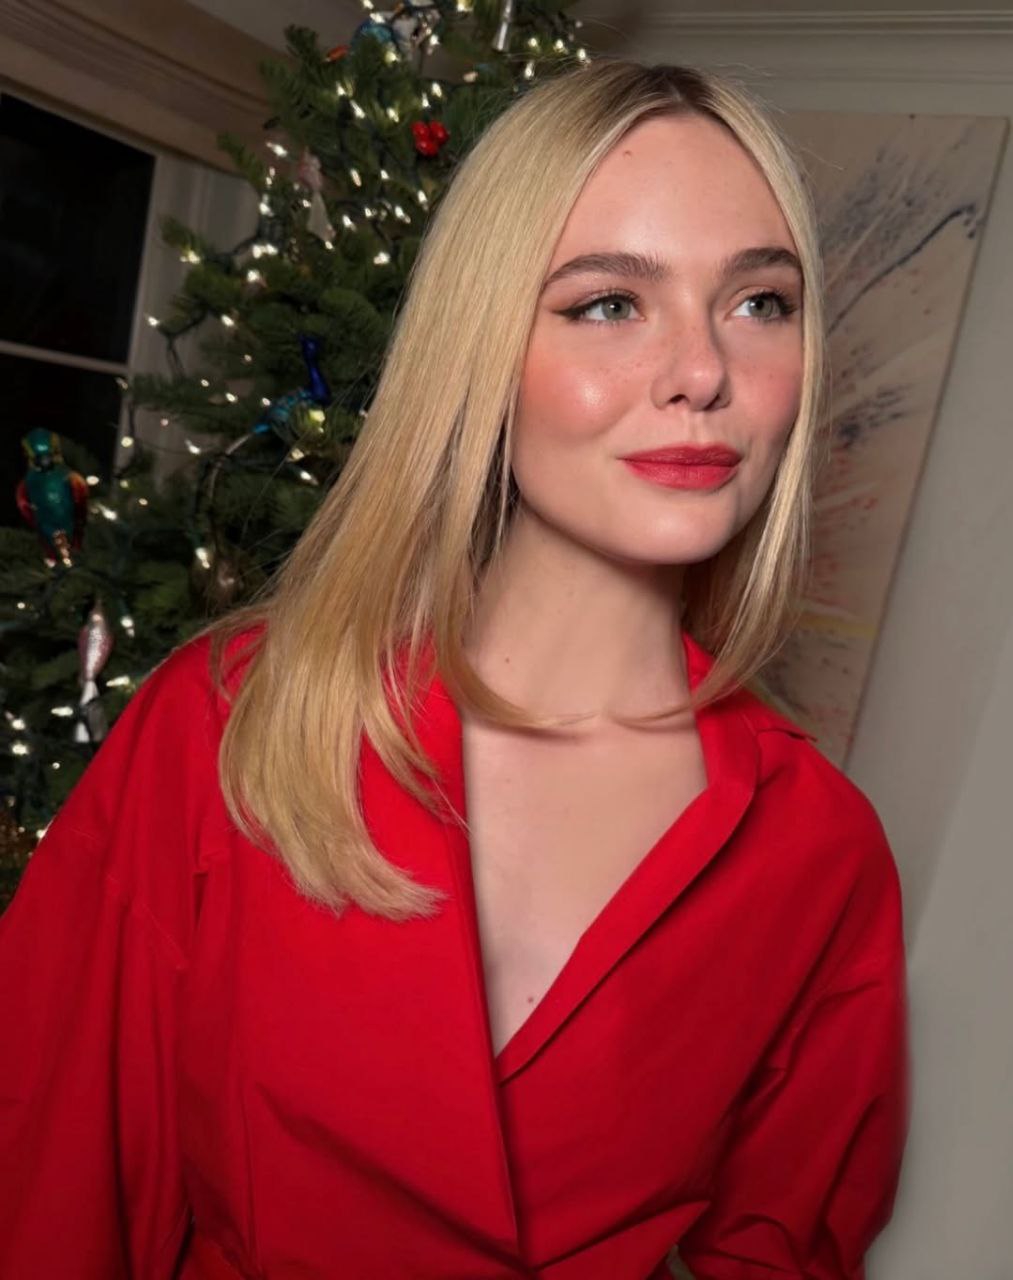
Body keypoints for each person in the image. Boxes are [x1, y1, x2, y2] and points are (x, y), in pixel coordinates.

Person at [0, 56, 910, 1280]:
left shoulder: (819, 852)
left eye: (758, 301)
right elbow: (44, 1190)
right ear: (480, 343)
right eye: (608, 303)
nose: (701, 371)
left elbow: (780, 1248)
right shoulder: (233, 723)